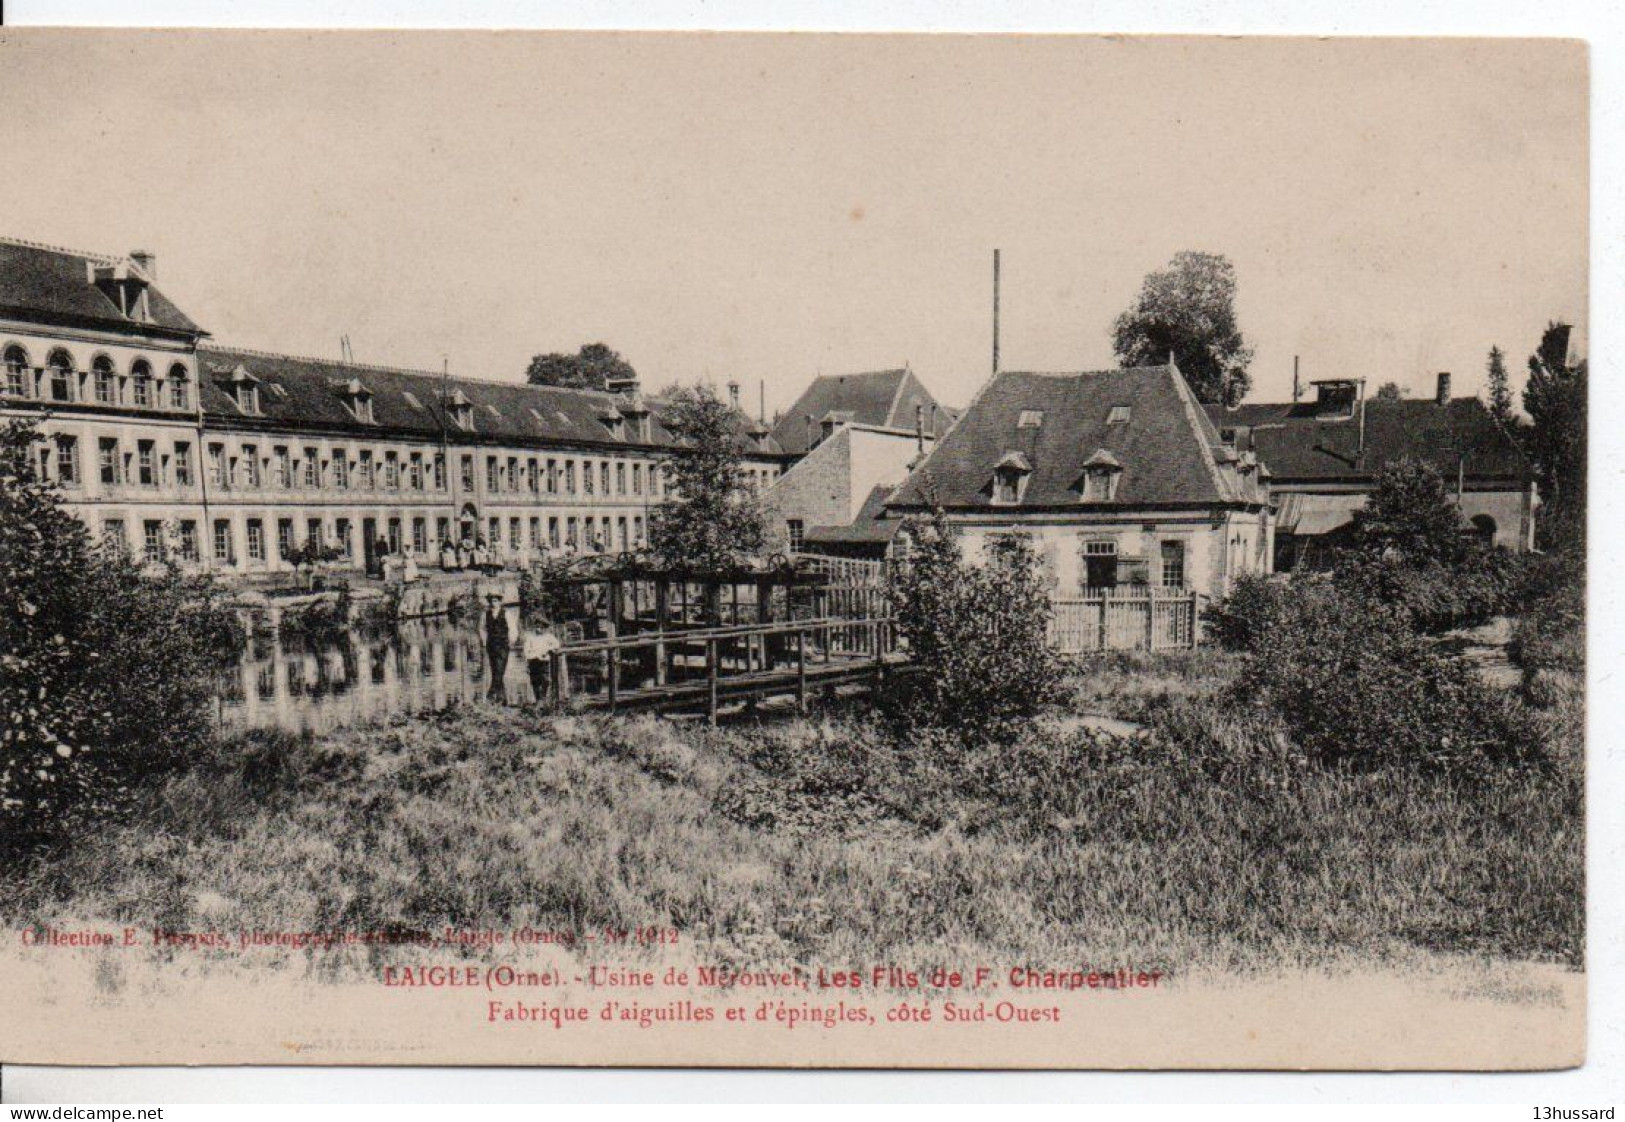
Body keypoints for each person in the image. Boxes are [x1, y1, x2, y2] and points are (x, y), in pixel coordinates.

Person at [522, 615, 562, 705]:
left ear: (544, 628)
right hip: (533, 660)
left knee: (545, 679)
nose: (539, 629)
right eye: (537, 627)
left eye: (541, 627)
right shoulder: (530, 637)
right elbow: (526, 649)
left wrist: (548, 648)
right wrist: (528, 659)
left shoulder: (548, 636)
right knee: (534, 680)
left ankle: (543, 697)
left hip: (543, 660)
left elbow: (557, 644)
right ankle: (537, 698)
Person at [483, 593, 511, 702]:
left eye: (495, 601)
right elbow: (481, 628)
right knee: (495, 670)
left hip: (503, 644)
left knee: (500, 668)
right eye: (491, 601)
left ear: (499, 602)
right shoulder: (485, 614)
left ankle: (491, 692)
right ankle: (502, 698)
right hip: (491, 644)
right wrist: (484, 641)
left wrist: (511, 641)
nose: (493, 603)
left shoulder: (506, 613)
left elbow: (512, 628)